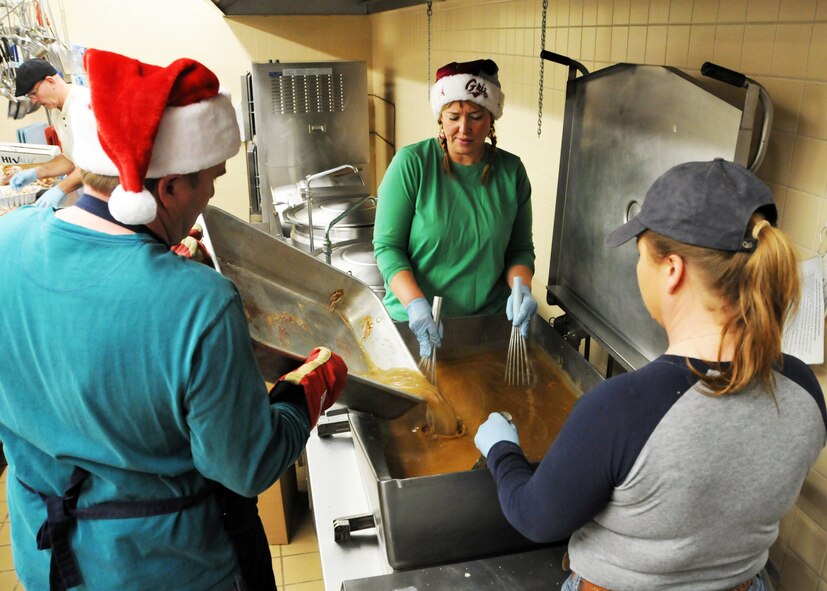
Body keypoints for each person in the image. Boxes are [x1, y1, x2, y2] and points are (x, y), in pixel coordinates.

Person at [0, 48, 347, 591]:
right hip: (164, 566)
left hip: (47, 557)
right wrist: (303, 394)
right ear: (167, 187)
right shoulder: (200, 304)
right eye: (210, 178)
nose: (210, 194)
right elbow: (245, 466)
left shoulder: (6, 243)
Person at [474, 159, 827, 591]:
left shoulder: (621, 409)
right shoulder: (805, 390)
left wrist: (502, 450)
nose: (638, 268)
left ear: (672, 270)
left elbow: (535, 517)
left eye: (641, 255)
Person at [373, 58, 537, 359]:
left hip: (486, 328)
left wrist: (521, 286)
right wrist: (415, 304)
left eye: (476, 116)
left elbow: (520, 250)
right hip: (414, 323)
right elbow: (387, 247)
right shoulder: (412, 165)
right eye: (453, 117)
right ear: (440, 118)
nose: (464, 129)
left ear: (491, 119)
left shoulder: (511, 172)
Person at [9, 58, 85, 208]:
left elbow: (95, 164)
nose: (34, 101)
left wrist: (60, 189)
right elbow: (71, 158)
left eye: (34, 93)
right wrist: (37, 172)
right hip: (90, 195)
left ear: (50, 81)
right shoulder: (57, 111)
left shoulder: (85, 104)